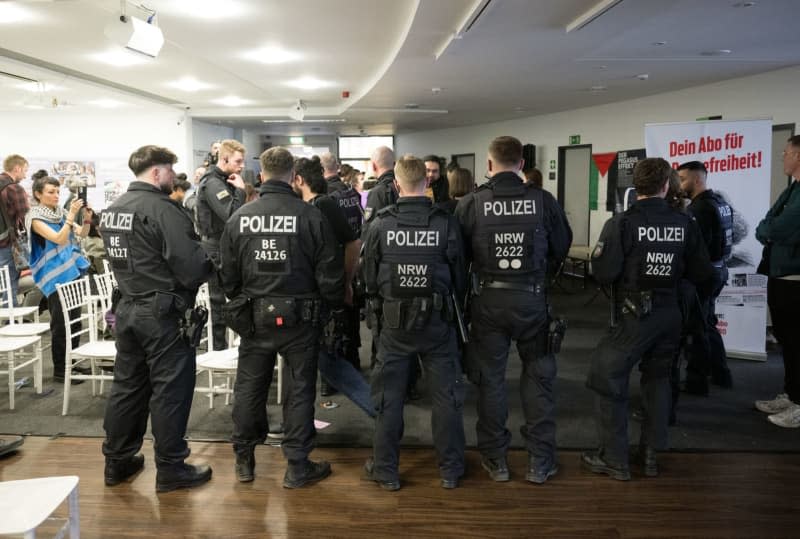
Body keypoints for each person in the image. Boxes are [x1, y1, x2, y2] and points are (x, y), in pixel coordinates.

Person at [220, 147, 343, 488]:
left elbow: (227, 275)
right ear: (293, 176)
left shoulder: (240, 217)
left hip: (255, 317)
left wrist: (244, 299)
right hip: (302, 318)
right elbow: (329, 272)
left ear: (261, 175)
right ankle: (297, 466)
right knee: (300, 390)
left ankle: (244, 461)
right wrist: (330, 307)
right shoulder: (310, 215)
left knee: (249, 386)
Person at [583, 157, 711, 480]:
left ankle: (614, 458)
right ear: (667, 185)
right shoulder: (685, 222)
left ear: (634, 186)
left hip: (633, 314)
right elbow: (701, 272)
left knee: (605, 373)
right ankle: (651, 455)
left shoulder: (622, 223)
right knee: (658, 379)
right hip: (671, 314)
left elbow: (604, 272)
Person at [455, 136, 571, 485]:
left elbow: (458, 258)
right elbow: (561, 247)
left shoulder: (473, 203)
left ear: (489, 165)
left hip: (488, 302)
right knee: (539, 379)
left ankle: (496, 460)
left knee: (490, 381)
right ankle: (540, 462)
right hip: (532, 299)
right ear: (521, 164)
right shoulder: (543, 200)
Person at [100, 145, 214, 493]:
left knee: (127, 388)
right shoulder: (164, 210)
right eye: (169, 171)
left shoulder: (112, 210)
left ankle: (117, 462)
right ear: (156, 172)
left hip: (128, 308)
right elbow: (192, 267)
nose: (172, 177)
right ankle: (171, 467)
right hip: (162, 313)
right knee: (170, 390)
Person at [362, 154, 467, 491]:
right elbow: (460, 277)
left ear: (395, 185)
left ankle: (386, 471)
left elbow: (368, 279)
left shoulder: (380, 224)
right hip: (438, 323)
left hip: (394, 326)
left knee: (389, 399)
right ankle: (450, 470)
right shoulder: (446, 223)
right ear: (429, 181)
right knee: (446, 398)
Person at [291, 156, 369, 410]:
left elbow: (353, 243)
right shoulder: (309, 205)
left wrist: (346, 282)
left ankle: (376, 408)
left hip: (328, 288)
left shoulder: (323, 204)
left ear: (300, 180)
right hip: (317, 288)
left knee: (332, 353)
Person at [26, 176, 92, 383]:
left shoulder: (60, 213)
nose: (56, 196)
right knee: (61, 324)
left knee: (75, 322)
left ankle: (73, 363)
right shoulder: (35, 217)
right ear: (38, 194)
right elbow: (59, 239)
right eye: (50, 192)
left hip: (72, 271)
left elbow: (81, 233)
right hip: (53, 276)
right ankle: (60, 370)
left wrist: (87, 219)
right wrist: (71, 215)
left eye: (57, 192)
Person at [754, 135, 800, 428]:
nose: (782, 157)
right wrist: (768, 229)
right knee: (787, 341)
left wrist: (769, 229)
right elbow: (765, 225)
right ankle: (792, 393)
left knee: (797, 341)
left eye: (786, 152)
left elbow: (779, 227)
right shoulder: (792, 188)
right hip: (781, 274)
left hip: (796, 279)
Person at [677, 161, 733, 394]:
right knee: (709, 324)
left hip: (704, 276)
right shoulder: (720, 203)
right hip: (718, 270)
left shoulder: (698, 210)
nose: (679, 184)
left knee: (696, 329)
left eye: (682, 179)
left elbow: (696, 250)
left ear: (697, 180)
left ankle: (697, 381)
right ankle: (721, 374)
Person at [195, 139, 246, 350]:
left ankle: (226, 347)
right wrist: (241, 191)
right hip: (215, 248)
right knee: (218, 302)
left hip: (223, 245)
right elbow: (231, 214)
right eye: (238, 161)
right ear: (224, 159)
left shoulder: (224, 179)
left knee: (228, 299)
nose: (242, 165)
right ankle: (219, 350)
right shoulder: (213, 182)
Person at [0, 154, 31, 305]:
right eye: (25, 171)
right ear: (17, 168)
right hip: (7, 245)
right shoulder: (14, 188)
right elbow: (27, 218)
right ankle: (10, 324)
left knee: (4, 285)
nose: (25, 175)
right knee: (10, 284)